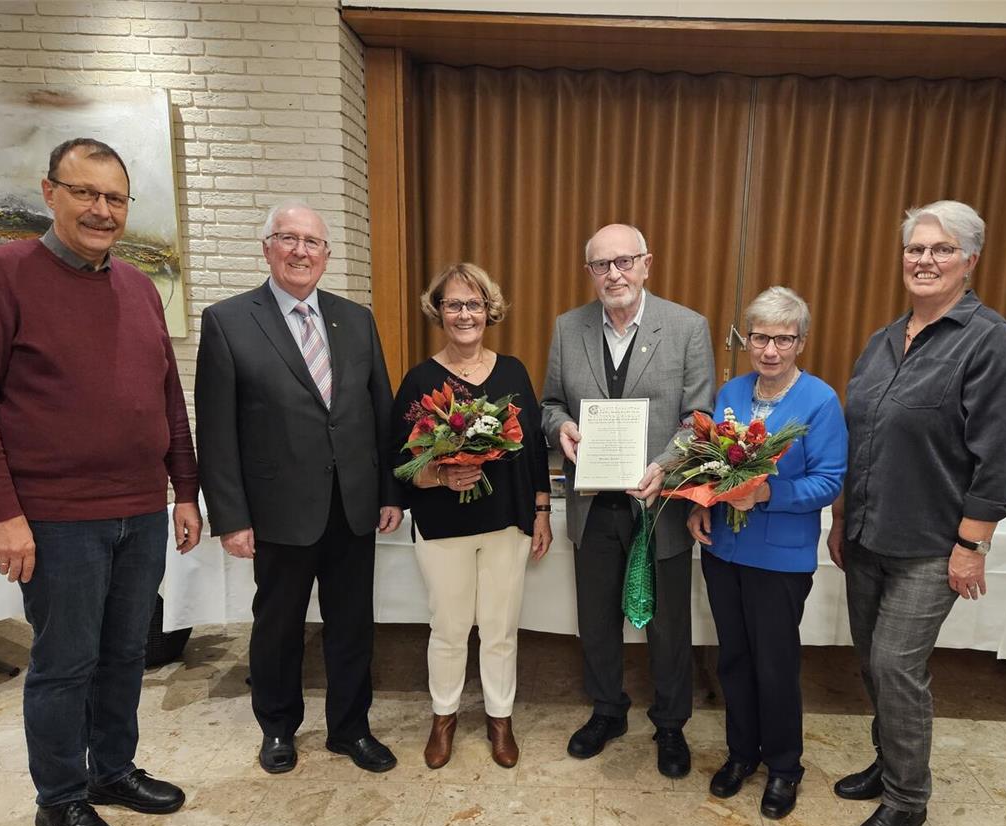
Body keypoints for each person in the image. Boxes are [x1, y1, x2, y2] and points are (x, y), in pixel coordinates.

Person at [0, 138, 202, 826]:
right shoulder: (0, 276)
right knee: (65, 662)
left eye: (114, 198)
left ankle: (112, 770)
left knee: (125, 654)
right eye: (85, 192)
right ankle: (59, 799)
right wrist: (2, 511)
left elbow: (168, 400)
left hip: (141, 510)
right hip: (56, 520)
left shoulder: (139, 286)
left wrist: (185, 489)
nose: (101, 209)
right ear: (49, 191)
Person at [827, 200, 1006, 826]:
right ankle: (888, 761)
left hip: (931, 543)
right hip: (864, 534)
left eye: (941, 249)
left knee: (895, 663)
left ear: (970, 260)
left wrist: (973, 544)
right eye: (916, 248)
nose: (924, 259)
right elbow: (860, 437)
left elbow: (998, 457)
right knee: (871, 660)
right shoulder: (885, 339)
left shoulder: (989, 339)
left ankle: (908, 800)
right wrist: (839, 517)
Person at [195, 201, 404, 777]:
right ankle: (279, 728)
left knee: (352, 625)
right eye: (288, 239)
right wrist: (231, 516)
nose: (301, 251)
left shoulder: (355, 318)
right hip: (277, 510)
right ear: (267, 247)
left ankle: (350, 729)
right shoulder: (229, 321)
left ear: (327, 255)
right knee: (279, 626)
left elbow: (378, 413)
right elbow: (215, 431)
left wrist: (390, 491)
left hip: (353, 506)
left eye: (313, 242)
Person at [541, 223, 715, 777]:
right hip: (593, 506)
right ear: (589, 272)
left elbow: (698, 420)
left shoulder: (687, 328)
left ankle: (670, 724)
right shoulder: (569, 329)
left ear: (646, 264)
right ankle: (608, 710)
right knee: (595, 621)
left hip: (659, 503)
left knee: (667, 627)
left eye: (624, 262)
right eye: (600, 265)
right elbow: (548, 405)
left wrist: (664, 466)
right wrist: (562, 426)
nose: (613, 273)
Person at [686, 286, 846, 819]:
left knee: (774, 665)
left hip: (779, 557)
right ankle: (740, 755)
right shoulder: (731, 391)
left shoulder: (820, 400)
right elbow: (708, 462)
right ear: (746, 339)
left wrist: (769, 493)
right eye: (760, 337)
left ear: (800, 341)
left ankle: (783, 766)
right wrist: (700, 504)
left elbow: (829, 481)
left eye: (783, 338)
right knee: (732, 658)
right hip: (724, 551)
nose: (770, 350)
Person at [391, 263, 552, 770]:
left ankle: (500, 718)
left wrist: (541, 510)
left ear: (490, 310)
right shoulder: (420, 380)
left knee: (501, 627)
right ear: (438, 311)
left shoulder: (514, 372)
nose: (465, 314)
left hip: (506, 522)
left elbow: (533, 451)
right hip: (443, 527)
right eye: (454, 304)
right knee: (449, 626)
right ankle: (444, 717)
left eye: (474, 304)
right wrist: (439, 477)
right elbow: (399, 462)